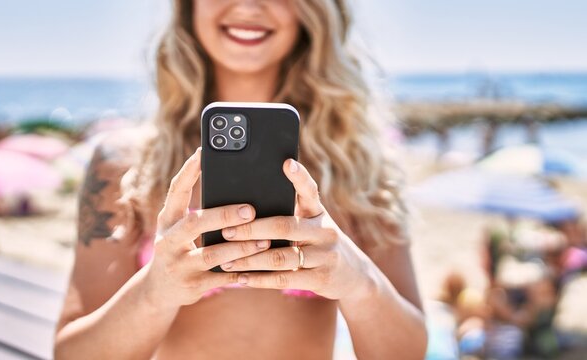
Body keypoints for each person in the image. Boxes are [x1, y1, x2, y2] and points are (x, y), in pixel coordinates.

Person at [54, 1, 427, 359]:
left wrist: (358, 281)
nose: (248, 6)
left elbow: (408, 353)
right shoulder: (124, 165)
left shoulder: (359, 166)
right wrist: (154, 292)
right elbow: (71, 354)